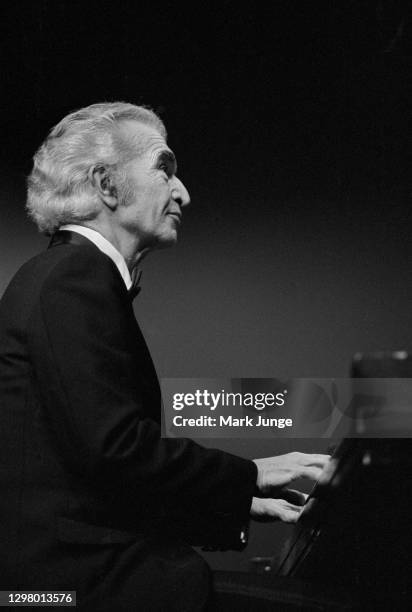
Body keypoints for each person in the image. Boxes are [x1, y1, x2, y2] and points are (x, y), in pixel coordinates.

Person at [0, 102, 329, 611]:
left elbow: (94, 486)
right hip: (59, 592)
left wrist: (238, 503)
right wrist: (251, 473)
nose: (184, 192)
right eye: (165, 168)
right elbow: (115, 450)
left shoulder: (67, 275)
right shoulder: (72, 278)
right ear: (107, 186)